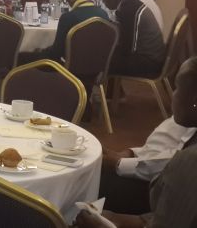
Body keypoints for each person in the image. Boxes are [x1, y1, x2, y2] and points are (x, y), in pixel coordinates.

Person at [76, 57, 197, 228]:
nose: (173, 95)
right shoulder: (189, 128)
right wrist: (130, 221)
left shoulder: (189, 162)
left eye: (177, 88)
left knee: (89, 184)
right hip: (156, 200)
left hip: (153, 190)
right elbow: (166, 144)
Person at [99, 116, 196, 215]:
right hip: (159, 177)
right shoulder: (186, 115)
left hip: (171, 190)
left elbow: (176, 164)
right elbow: (166, 140)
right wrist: (130, 154)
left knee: (104, 186)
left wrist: (119, 163)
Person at [26, 0, 109, 63]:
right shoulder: (103, 14)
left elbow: (56, 53)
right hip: (99, 67)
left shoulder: (68, 18)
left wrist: (40, 51)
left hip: (69, 69)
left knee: (24, 57)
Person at [99, 0, 165, 78]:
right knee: (107, 55)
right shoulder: (131, 4)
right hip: (153, 57)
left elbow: (128, 47)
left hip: (149, 62)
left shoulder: (129, 10)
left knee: (103, 59)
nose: (104, 4)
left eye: (104, 0)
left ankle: (101, 87)